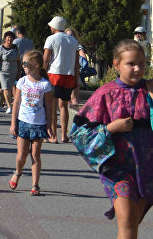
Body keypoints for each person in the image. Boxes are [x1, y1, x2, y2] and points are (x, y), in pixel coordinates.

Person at [71, 39, 153, 239]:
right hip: (116, 168)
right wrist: (109, 128)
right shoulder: (105, 93)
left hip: (146, 167)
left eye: (141, 63)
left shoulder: (149, 90)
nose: (137, 68)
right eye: (131, 64)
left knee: (133, 222)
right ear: (116, 64)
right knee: (126, 222)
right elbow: (79, 132)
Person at [9, 50, 53, 196]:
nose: (23, 66)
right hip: (23, 122)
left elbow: (49, 107)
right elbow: (16, 103)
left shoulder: (45, 85)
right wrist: (13, 123)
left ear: (35, 65)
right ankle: (17, 172)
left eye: (25, 63)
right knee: (21, 155)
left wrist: (49, 125)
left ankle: (35, 185)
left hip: (39, 124)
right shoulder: (22, 81)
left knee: (35, 154)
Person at [43, 16, 79, 143]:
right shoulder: (73, 40)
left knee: (51, 105)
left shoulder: (51, 39)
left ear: (54, 27)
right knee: (64, 106)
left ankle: (53, 135)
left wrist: (42, 71)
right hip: (68, 75)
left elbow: (46, 58)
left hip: (54, 74)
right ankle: (64, 135)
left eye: (51, 26)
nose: (50, 28)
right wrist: (76, 77)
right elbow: (76, 62)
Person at [0, 31, 21, 114]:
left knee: (7, 89)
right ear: (5, 38)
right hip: (3, 72)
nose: (9, 39)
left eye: (11, 37)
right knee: (6, 88)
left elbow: (18, 60)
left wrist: (19, 71)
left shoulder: (15, 48)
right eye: (8, 37)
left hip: (13, 72)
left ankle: (1, 106)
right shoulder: (0, 48)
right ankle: (9, 106)